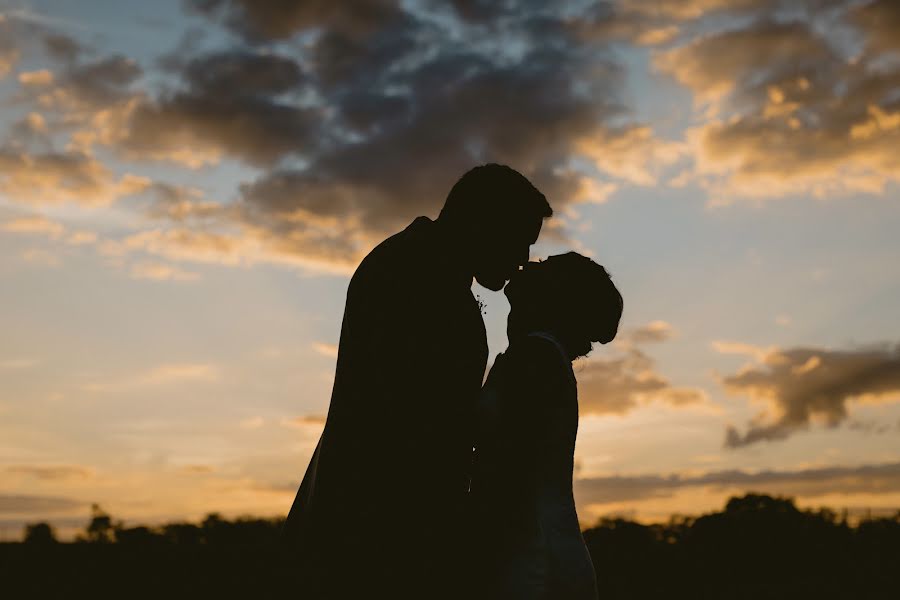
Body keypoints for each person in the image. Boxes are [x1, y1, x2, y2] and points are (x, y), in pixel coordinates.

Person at [281, 164, 553, 598]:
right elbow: (417, 420)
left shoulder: (420, 265)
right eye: (519, 241)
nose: (521, 259)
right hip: (380, 531)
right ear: (483, 222)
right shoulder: (416, 275)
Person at [470, 252, 623, 599]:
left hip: (531, 563)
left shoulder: (535, 357)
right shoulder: (536, 354)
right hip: (534, 549)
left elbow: (510, 468)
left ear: (557, 294)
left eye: (544, 265)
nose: (528, 265)